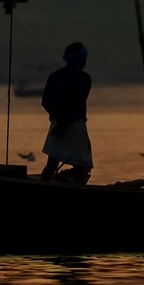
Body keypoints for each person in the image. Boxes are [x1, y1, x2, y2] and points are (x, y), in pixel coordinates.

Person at [40, 41, 93, 184]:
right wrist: (64, 123)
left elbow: (46, 102)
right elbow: (78, 105)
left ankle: (42, 185)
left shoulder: (55, 76)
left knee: (52, 162)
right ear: (79, 60)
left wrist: (60, 121)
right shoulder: (84, 78)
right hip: (75, 124)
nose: (84, 62)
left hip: (58, 123)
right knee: (80, 165)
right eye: (83, 59)